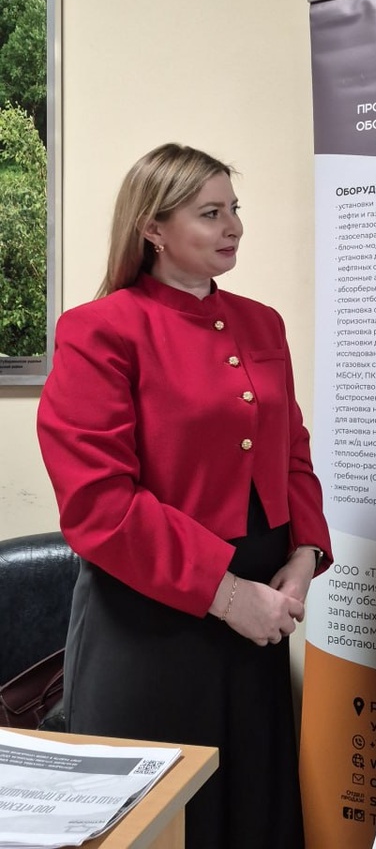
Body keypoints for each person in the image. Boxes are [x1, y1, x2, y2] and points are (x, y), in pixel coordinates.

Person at [37, 143, 332, 849]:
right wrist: (228, 596)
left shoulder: (262, 323)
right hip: (150, 624)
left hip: (258, 620)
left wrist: (304, 555)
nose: (234, 226)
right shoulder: (98, 330)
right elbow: (99, 505)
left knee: (252, 814)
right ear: (153, 228)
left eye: (235, 209)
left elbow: (291, 449)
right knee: (160, 824)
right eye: (210, 213)